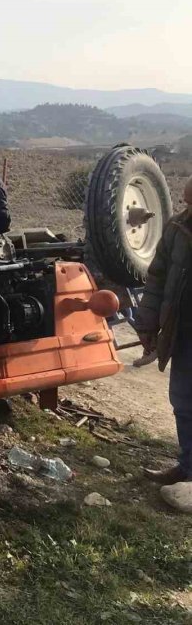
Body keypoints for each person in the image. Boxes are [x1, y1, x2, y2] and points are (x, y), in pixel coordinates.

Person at [138, 177, 192, 487]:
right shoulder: (177, 228)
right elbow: (156, 279)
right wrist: (147, 324)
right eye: (187, 202)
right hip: (183, 333)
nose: (189, 210)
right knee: (184, 402)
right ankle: (187, 468)